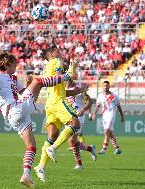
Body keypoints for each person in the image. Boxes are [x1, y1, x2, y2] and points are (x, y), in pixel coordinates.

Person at [0, 51, 73, 188]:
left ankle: (26, 175)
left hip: (16, 115)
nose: (16, 67)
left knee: (31, 147)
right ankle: (65, 77)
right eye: (14, 64)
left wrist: (28, 84)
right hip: (15, 109)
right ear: (8, 64)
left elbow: (23, 91)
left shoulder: (13, 78)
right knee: (38, 81)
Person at [34, 47, 95, 183]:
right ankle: (53, 148)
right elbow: (63, 77)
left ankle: (41, 166)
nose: (59, 52)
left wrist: (78, 86)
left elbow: (62, 87)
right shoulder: (57, 61)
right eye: (57, 51)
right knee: (75, 123)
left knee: (52, 135)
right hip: (57, 101)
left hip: (49, 102)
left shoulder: (46, 68)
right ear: (51, 54)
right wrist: (72, 67)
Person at [66, 80, 97, 164]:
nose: (65, 82)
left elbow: (89, 101)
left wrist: (83, 110)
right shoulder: (63, 91)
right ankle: (90, 148)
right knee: (71, 142)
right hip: (68, 118)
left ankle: (79, 164)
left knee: (72, 140)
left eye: (67, 80)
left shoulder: (78, 89)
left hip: (79, 117)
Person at [92, 80, 125, 155]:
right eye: (104, 85)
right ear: (102, 87)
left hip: (111, 114)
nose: (105, 87)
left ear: (109, 86)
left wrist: (122, 116)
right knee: (110, 132)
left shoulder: (114, 96)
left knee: (106, 131)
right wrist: (94, 114)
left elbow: (118, 106)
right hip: (104, 116)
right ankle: (117, 148)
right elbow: (97, 106)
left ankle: (103, 150)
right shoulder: (100, 95)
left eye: (107, 85)